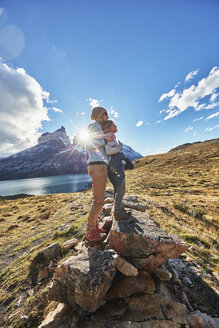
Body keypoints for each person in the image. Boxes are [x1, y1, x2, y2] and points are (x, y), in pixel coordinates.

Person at [77, 107, 113, 242]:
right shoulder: (93, 126)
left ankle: (95, 227)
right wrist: (105, 139)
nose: (107, 117)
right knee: (98, 201)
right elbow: (87, 143)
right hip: (96, 165)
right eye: (105, 114)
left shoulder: (100, 127)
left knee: (100, 199)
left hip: (100, 165)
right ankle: (90, 232)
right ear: (99, 114)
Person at [102, 120, 132, 221]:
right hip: (115, 167)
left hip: (116, 166)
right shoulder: (108, 136)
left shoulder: (110, 137)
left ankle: (117, 207)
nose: (116, 126)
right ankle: (118, 211)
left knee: (117, 188)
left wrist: (120, 148)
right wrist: (120, 147)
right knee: (121, 189)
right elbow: (109, 150)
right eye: (114, 125)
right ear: (110, 127)